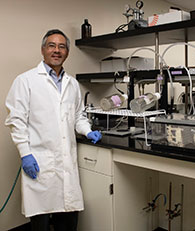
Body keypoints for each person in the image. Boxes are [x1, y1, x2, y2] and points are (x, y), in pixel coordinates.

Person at [5, 29, 101, 231]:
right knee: (40, 221)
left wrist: (87, 130)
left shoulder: (72, 84)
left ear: (67, 52)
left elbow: (78, 117)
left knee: (67, 219)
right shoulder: (26, 81)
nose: (56, 50)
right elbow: (16, 120)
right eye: (51, 45)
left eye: (62, 46)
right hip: (39, 162)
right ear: (43, 50)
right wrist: (25, 154)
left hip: (66, 162)